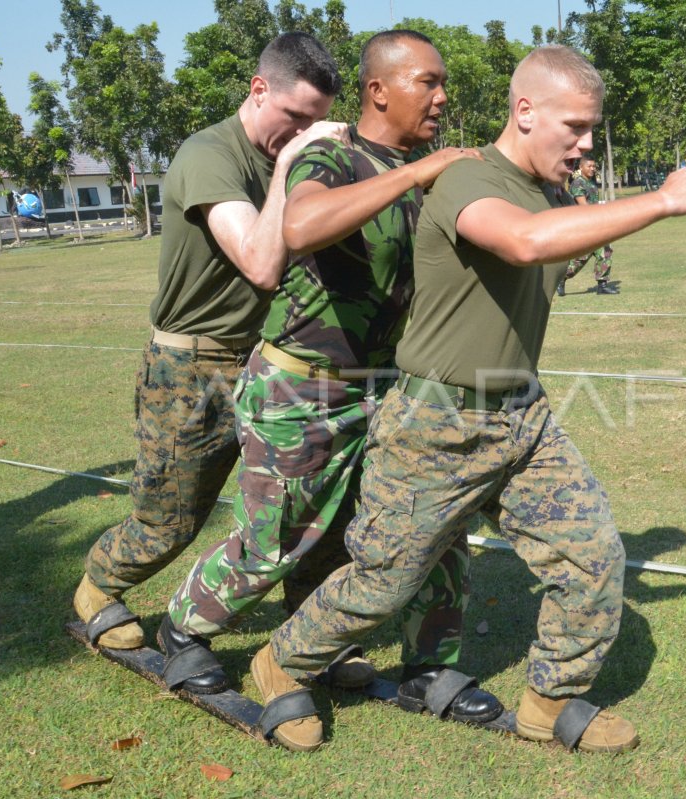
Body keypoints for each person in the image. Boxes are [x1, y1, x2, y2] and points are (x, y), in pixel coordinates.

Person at [248, 44, 686, 754]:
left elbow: (550, 243)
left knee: (593, 557)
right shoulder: (468, 178)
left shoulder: (553, 190)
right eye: (576, 126)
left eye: (593, 128)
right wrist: (661, 200)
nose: (587, 143)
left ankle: (550, 698)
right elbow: (526, 243)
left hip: (521, 412)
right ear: (525, 112)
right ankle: (282, 659)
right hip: (436, 422)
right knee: (384, 580)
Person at [161, 31, 498, 720]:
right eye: (426, 83)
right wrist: (414, 173)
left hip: (390, 387)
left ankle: (429, 665)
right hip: (302, 386)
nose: (441, 97)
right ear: (379, 90)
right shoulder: (331, 153)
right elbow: (303, 226)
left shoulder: (426, 172)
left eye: (443, 85)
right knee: (277, 537)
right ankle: (185, 627)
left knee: (428, 525)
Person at [72, 33, 346, 686]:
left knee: (299, 504)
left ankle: (307, 633)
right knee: (170, 519)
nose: (302, 133)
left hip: (269, 361)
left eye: (315, 121)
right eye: (295, 118)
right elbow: (258, 260)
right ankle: (96, 586)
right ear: (259, 91)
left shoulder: (294, 155)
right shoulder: (207, 155)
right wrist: (291, 166)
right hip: (191, 368)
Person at [558, 155, 615, 296]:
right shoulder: (578, 183)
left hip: (595, 224)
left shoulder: (592, 183)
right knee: (580, 259)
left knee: (605, 251)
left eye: (594, 166)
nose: (592, 169)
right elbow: (583, 205)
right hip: (583, 226)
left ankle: (602, 285)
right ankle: (560, 279)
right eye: (589, 166)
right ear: (581, 167)